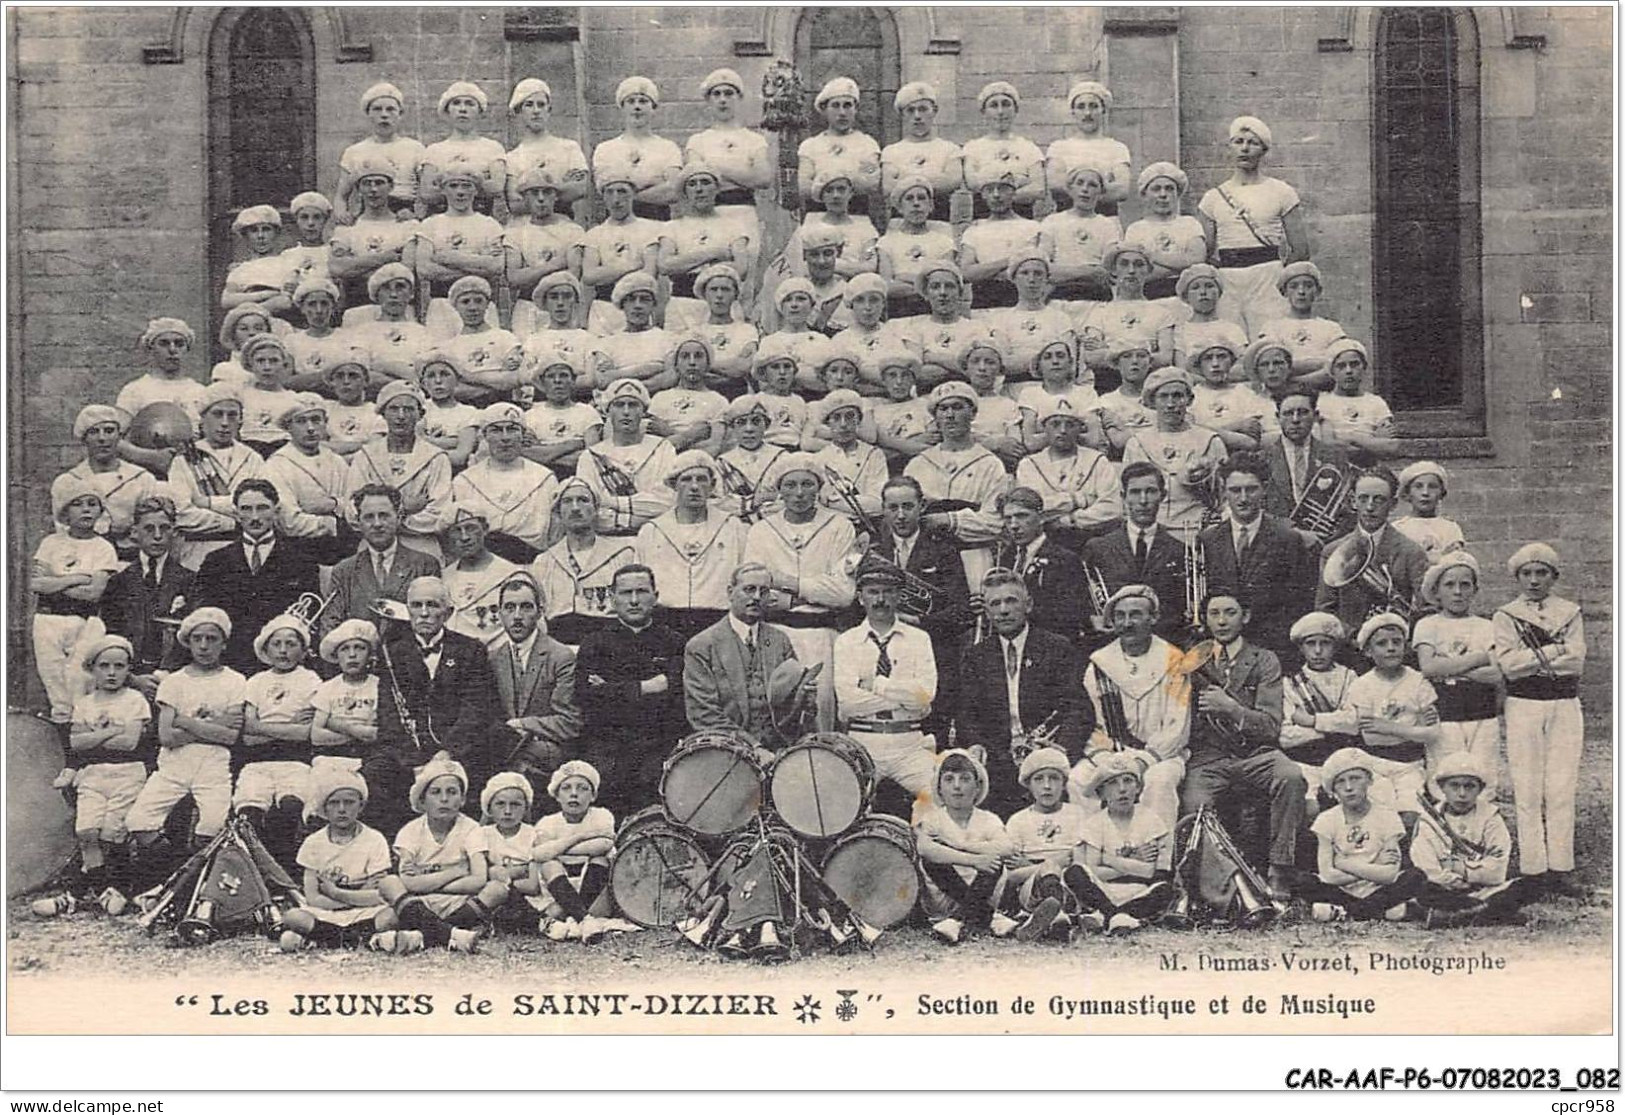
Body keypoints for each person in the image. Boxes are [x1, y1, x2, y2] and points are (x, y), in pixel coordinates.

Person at [1176, 591, 1299, 899]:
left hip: (1255, 754)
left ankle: (1279, 871)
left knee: (1291, 776)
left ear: (1245, 616)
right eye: (1214, 613)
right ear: (1205, 619)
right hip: (1209, 757)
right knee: (1194, 806)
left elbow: (1272, 725)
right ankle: (1219, 889)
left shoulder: (1265, 660)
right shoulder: (1190, 660)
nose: (1221, 620)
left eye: (1229, 612)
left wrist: (1231, 708)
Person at [122, 608, 243, 893]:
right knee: (138, 821)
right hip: (174, 765)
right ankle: (172, 873)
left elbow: (230, 736)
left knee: (213, 827)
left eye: (212, 638)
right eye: (197, 638)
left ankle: (193, 888)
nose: (204, 645)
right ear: (187, 642)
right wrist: (212, 725)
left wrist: (184, 721)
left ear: (223, 643)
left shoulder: (236, 681)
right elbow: (166, 736)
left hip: (213, 766)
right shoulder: (174, 682)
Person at [31, 636, 153, 918]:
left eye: (119, 666)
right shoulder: (85, 703)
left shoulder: (135, 700)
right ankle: (105, 892)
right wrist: (113, 731)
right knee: (86, 831)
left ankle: (78, 895)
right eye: (104, 666)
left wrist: (94, 736)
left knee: (111, 835)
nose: (111, 672)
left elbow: (129, 743)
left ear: (128, 669)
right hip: (92, 774)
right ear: (92, 669)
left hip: (127, 773)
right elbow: (76, 743)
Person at [956, 570, 1091, 817]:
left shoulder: (1057, 647)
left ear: (1028, 605)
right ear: (986, 612)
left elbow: (1077, 708)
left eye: (1011, 601)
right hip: (997, 760)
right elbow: (966, 713)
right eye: (995, 603)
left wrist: (1060, 749)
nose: (1003, 610)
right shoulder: (976, 656)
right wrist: (976, 745)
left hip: (1046, 755)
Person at [1493, 542, 1586, 894]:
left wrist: (1531, 656)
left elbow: (1576, 662)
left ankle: (1561, 867)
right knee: (1527, 785)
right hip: (1524, 704)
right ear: (1517, 577)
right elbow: (1510, 667)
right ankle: (1533, 868)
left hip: (1564, 703)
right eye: (1527, 574)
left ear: (1553, 576)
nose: (1534, 580)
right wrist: (1552, 650)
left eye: (1541, 573)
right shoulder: (1506, 615)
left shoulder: (1570, 612)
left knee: (1561, 785)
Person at [372, 577, 498, 835]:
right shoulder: (392, 652)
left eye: (432, 605)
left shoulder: (471, 649)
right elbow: (389, 716)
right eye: (416, 606)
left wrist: (447, 753)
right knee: (375, 774)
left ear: (448, 612)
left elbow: (476, 709)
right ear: (408, 610)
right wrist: (415, 762)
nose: (424, 613)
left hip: (458, 747)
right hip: (410, 752)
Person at [743, 454, 859, 731]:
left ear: (818, 488)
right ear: (779, 489)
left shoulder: (840, 526)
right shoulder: (761, 530)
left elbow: (843, 593)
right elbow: (756, 591)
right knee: (773, 716)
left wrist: (788, 587)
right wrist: (816, 588)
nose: (798, 493)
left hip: (822, 634)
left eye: (807, 484)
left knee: (820, 714)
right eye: (790, 485)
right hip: (773, 634)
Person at [574, 564, 688, 815]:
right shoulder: (595, 643)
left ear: (655, 597)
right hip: (608, 748)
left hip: (657, 746)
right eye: (626, 593)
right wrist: (646, 687)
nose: (634, 600)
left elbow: (676, 699)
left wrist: (610, 689)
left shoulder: (674, 642)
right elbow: (587, 699)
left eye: (642, 592)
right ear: (613, 598)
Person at [833, 558, 940, 815]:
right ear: (860, 597)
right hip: (863, 742)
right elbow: (848, 702)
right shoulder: (846, 642)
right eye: (873, 592)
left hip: (910, 744)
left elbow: (926, 695)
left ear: (899, 596)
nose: (880, 600)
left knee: (942, 796)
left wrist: (875, 685)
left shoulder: (919, 638)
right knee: (842, 805)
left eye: (887, 592)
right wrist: (905, 696)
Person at [1078, 584, 1190, 826]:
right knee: (1079, 779)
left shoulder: (1174, 660)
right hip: (1111, 753)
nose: (1128, 623)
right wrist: (1106, 758)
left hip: (1161, 756)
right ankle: (1094, 854)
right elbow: (1092, 724)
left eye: (1136, 615)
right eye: (1120, 616)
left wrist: (1142, 761)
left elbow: (1177, 726)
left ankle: (1158, 858)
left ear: (1153, 618)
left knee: (1158, 782)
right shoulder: (1099, 664)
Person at [374, 752, 506, 954]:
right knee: (388, 887)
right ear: (423, 800)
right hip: (420, 903)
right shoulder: (410, 831)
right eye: (435, 792)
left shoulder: (471, 829)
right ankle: (452, 934)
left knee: (496, 889)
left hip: (459, 901)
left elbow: (478, 880)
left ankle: (423, 936)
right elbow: (407, 882)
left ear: (462, 799)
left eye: (452, 792)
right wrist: (456, 872)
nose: (444, 799)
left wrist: (426, 880)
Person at [1198, 453, 1318, 662]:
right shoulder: (1208, 539)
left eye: (1251, 489)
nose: (1243, 498)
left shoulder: (1288, 538)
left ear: (1264, 489)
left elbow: (1299, 604)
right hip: (1221, 652)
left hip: (1273, 650)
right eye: (1235, 490)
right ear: (1224, 491)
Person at [1196, 116, 1309, 336]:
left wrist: (1278, 280)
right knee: (1229, 340)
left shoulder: (1281, 191)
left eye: (1253, 143)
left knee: (1270, 340)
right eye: (1238, 142)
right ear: (1230, 148)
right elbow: (1204, 253)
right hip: (1228, 280)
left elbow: (1301, 250)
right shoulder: (1213, 198)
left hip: (1268, 278)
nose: (1245, 149)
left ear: (1264, 150)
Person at [192, 479, 320, 674]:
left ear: (276, 511)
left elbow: (310, 615)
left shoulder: (301, 561)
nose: (254, 517)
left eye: (262, 508)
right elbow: (203, 613)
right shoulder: (215, 561)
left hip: (281, 664)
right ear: (236, 513)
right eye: (246, 509)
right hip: (228, 664)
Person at [1333, 612, 1440, 821]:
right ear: (1368, 652)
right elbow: (1371, 737)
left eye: (1396, 642)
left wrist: (1385, 725)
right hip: (1375, 763)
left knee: (1410, 814)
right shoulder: (1362, 686)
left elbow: (1432, 734)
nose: (1391, 648)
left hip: (1410, 765)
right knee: (1379, 814)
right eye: (1382, 644)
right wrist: (1415, 728)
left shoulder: (1418, 682)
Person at [682, 562, 804, 745]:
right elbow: (704, 715)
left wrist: (805, 698)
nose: (756, 597)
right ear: (730, 592)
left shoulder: (780, 641)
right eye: (749, 589)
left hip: (778, 749)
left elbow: (793, 710)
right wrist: (752, 748)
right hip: (726, 751)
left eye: (763, 591)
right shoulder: (701, 646)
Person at [278, 768, 397, 952]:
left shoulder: (375, 839)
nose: (342, 809)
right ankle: (356, 938)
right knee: (293, 916)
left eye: (349, 802)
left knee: (391, 915)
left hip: (362, 912)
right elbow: (313, 897)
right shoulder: (313, 843)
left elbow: (378, 895)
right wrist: (357, 895)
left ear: (361, 806)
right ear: (325, 808)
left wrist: (334, 892)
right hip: (326, 912)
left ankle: (324, 939)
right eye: (334, 803)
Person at [236, 613, 321, 868]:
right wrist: (290, 725)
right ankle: (258, 872)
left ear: (303, 650)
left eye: (291, 644)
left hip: (295, 761)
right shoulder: (256, 681)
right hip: (257, 762)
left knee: (291, 807)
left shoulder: (311, 680)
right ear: (265, 648)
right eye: (277, 644)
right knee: (249, 812)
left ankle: (282, 871)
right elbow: (248, 734)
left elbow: (307, 734)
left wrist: (264, 728)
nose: (283, 651)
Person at [486, 573, 580, 804]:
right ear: (499, 614)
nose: (517, 616)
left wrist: (521, 725)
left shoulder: (560, 656)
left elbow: (569, 722)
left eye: (526, 607)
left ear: (540, 611)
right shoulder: (492, 659)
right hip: (505, 752)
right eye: (509, 608)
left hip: (546, 752)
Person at [1300, 747, 1423, 922]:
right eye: (1340, 782)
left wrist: (1343, 863)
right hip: (1343, 889)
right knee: (1304, 881)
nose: (1349, 787)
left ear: (1369, 780)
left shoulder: (1387, 816)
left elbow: (1388, 875)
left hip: (1378, 887)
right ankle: (1381, 911)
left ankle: (1346, 912)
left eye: (1355, 778)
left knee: (1415, 876)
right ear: (1333, 790)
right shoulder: (1326, 820)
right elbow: (1327, 874)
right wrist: (1374, 865)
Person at [31, 481, 119, 722]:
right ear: (65, 512)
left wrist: (56, 581)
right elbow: (37, 584)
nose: (86, 510)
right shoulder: (51, 543)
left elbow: (93, 593)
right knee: (54, 678)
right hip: (48, 619)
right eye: (77, 504)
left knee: (80, 677)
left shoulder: (103, 548)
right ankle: (63, 735)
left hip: (85, 620)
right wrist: (78, 578)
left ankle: (82, 731)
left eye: (92, 504)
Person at [1063, 751, 1178, 934]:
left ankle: (1107, 915)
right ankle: (1119, 916)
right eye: (1113, 783)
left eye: (1128, 781)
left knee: (1164, 889)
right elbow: (1093, 871)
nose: (1122, 789)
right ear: (1101, 792)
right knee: (1075, 873)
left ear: (1138, 787)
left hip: (1140, 891)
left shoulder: (1151, 820)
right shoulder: (1095, 824)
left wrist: (1107, 859)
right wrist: (1134, 861)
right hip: (1103, 890)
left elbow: (1151, 872)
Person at [636, 451, 746, 643]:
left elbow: (744, 579)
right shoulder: (651, 530)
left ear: (712, 486)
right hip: (665, 622)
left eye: (702, 480)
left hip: (717, 621)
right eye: (686, 479)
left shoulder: (732, 526)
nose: (694, 487)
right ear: (674, 485)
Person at [1409, 752, 1528, 928]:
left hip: (1483, 889)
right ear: (1442, 788)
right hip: (1443, 888)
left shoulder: (1490, 818)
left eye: (1469, 786)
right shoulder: (1429, 820)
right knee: (1423, 886)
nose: (1462, 794)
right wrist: (1450, 880)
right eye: (1455, 786)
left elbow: (1497, 867)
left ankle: (1462, 912)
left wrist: (1463, 871)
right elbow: (1424, 864)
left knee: (1529, 885)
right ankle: (1484, 912)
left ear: (1480, 789)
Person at [1413, 552, 1501, 789]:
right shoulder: (1428, 625)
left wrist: (1449, 666)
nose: (1458, 591)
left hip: (1483, 713)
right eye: (1450, 585)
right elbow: (1429, 667)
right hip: (1445, 713)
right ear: (1437, 591)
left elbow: (1495, 674)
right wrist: (1479, 658)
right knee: (1444, 776)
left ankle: (1482, 824)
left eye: (1465, 585)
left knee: (1483, 776)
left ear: (1474, 589)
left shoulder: (1487, 627)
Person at [1081, 462, 1191, 649]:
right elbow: (1084, 601)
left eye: (1150, 491)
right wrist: (1092, 619)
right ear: (1123, 497)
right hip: (1111, 648)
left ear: (1162, 496)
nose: (1143, 500)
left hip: (1163, 650)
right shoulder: (1098, 547)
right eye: (1135, 492)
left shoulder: (1179, 550)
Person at [907, 382, 1011, 573]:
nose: (949, 415)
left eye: (957, 407)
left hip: (974, 553)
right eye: (943, 409)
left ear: (972, 414)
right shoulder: (918, 464)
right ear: (935, 417)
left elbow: (994, 523)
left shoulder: (990, 464)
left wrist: (948, 519)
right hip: (928, 552)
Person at [345, 381, 456, 560]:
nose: (401, 416)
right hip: (374, 545)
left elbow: (440, 513)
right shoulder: (366, 456)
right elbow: (352, 511)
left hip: (421, 544)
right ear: (383, 413)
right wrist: (404, 508)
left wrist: (381, 516)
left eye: (409, 409)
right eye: (394, 409)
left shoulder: (436, 457)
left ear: (420, 414)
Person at [1314, 467, 1429, 638]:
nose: (1369, 507)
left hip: (1395, 646)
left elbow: (1426, 608)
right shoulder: (1333, 551)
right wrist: (1355, 637)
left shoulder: (1412, 552)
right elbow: (1324, 610)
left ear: (1393, 504)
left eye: (1379, 500)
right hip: (1350, 648)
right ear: (1353, 501)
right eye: (1363, 498)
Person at [915, 748, 1015, 943]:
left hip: (985, 892)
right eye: (949, 779)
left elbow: (1006, 848)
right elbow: (925, 849)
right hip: (944, 900)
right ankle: (989, 916)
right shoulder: (933, 819)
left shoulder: (988, 819)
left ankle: (957, 921)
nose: (957, 786)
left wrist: (959, 844)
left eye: (965, 779)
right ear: (940, 787)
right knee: (932, 861)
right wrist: (974, 860)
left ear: (977, 786)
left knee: (994, 861)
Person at [320, 484, 441, 645]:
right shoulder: (344, 571)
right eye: (369, 517)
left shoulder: (425, 565)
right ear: (358, 522)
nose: (377, 524)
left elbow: (434, 622)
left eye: (384, 515)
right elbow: (331, 627)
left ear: (398, 518)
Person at [166, 383, 270, 566]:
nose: (224, 423)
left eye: (232, 415)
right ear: (203, 419)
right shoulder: (184, 460)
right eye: (217, 414)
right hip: (198, 550)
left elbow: (261, 505)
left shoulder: (252, 458)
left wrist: (207, 503)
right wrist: (233, 522)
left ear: (240, 421)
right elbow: (182, 513)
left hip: (245, 549)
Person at [1121, 367, 1227, 545]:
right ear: (1152, 401)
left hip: (1199, 528)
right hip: (1152, 530)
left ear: (1189, 399)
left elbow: (1223, 496)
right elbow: (1127, 498)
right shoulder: (1137, 443)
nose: (1171, 404)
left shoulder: (1210, 441)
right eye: (1163, 396)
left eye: (1177, 396)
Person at [99, 495, 193, 694]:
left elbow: (191, 637)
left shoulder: (190, 580)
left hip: (175, 679)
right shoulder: (118, 582)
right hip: (130, 680)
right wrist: (132, 678)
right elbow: (112, 635)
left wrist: (166, 674)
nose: (158, 536)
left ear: (174, 532)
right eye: (149, 529)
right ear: (135, 532)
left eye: (165, 528)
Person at [993, 747, 1089, 941]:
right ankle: (1057, 916)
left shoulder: (1077, 815)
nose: (1047, 786)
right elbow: (1012, 875)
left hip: (1070, 884)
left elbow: (1082, 861)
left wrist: (1034, 866)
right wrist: (1052, 864)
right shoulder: (1018, 821)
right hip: (1031, 888)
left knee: (1070, 875)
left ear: (1064, 784)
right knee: (1049, 871)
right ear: (1028, 785)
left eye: (1054, 778)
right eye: (1039, 779)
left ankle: (1049, 918)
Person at [684, 68, 772, 279]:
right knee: (710, 276)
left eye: (729, 93)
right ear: (709, 100)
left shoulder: (753, 140)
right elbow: (697, 180)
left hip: (743, 213)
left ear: (739, 98)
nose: (723, 100)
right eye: (717, 94)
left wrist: (716, 167)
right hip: (709, 214)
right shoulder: (698, 141)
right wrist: (743, 175)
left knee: (744, 278)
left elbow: (763, 178)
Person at [530, 479, 637, 647]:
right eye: (567, 501)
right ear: (557, 512)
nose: (575, 508)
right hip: (560, 646)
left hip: (611, 645)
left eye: (583, 500)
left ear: (595, 509)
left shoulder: (623, 555)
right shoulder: (544, 562)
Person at [1277, 612, 1368, 806]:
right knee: (1309, 809)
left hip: (1344, 763)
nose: (1317, 651)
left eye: (1325, 644)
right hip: (1306, 764)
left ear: (1335, 647)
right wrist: (1336, 726)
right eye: (1311, 644)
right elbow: (1286, 736)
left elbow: (1355, 723)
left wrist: (1312, 722)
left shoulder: (1349, 677)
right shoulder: (1291, 683)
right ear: (1301, 648)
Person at [453, 401, 560, 562]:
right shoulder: (465, 481)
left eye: (512, 429)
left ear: (523, 435)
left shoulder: (544, 478)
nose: (505, 438)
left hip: (530, 563)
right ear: (484, 436)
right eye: (496, 430)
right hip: (482, 565)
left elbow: (554, 537)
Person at [1015, 396, 1122, 554]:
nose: (1063, 430)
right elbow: (1032, 509)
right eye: (1055, 424)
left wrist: (1070, 520)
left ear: (1080, 429)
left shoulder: (1097, 460)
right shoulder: (1029, 465)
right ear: (1045, 428)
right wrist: (1078, 500)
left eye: (1070, 425)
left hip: (1092, 540)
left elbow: (1112, 508)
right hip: (1044, 542)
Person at [659, 163, 755, 333]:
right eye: (692, 184)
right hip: (682, 305)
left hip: (724, 305)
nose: (699, 189)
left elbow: (741, 268)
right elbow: (666, 265)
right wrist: (714, 253)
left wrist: (685, 261)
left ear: (717, 188)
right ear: (685, 192)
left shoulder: (734, 225)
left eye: (705, 182)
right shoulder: (672, 227)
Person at [263, 394, 355, 567]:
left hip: (342, 549)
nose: (311, 428)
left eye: (316, 420)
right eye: (301, 421)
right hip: (299, 550)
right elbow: (289, 522)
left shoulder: (336, 461)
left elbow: (354, 504)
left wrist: (333, 504)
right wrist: (335, 523)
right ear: (288, 427)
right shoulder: (277, 465)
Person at [532, 760, 619, 941]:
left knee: (600, 859)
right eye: (566, 788)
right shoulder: (547, 822)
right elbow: (539, 854)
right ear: (557, 795)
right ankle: (584, 920)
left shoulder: (601, 815)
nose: (574, 794)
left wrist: (557, 848)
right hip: (559, 887)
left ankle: (575, 918)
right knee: (549, 865)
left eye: (582, 788)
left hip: (593, 888)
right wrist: (579, 837)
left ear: (593, 795)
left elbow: (603, 845)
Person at [578, 378, 678, 535]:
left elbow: (667, 502)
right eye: (619, 405)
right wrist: (633, 520)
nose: (626, 412)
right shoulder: (591, 456)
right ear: (608, 412)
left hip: (658, 535)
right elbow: (589, 510)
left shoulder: (662, 448)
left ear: (643, 412)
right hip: (609, 539)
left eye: (633, 405)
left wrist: (611, 502)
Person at [53, 404, 159, 551]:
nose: (102, 438)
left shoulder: (142, 479)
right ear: (84, 439)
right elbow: (63, 533)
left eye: (109, 431)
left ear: (119, 436)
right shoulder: (68, 482)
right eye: (94, 432)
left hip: (131, 561)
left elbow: (152, 528)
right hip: (84, 561)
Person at [992, 486, 1086, 641]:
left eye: (1022, 516)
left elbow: (1069, 617)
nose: (1014, 525)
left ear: (1041, 517)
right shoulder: (1003, 559)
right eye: (1008, 519)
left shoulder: (1065, 560)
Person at [1076, 243, 1180, 384]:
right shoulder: (1100, 311)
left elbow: (1165, 358)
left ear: (1148, 271)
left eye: (1138, 265)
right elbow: (1091, 357)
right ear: (1114, 270)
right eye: (1124, 264)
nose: (1131, 271)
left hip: (1151, 382)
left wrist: (1110, 350)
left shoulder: (1161, 312)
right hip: (1109, 382)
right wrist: (1144, 353)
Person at [328, 156, 420, 312]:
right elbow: (337, 268)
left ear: (391, 187)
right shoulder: (347, 229)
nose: (373, 190)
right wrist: (388, 257)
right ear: (358, 189)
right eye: (366, 183)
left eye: (379, 183)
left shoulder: (407, 226)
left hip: (398, 306)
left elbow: (405, 270)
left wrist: (356, 265)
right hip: (357, 304)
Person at [506, 170, 590, 338]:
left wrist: (532, 272)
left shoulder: (572, 231)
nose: (541, 198)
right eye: (534, 193)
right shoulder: (514, 233)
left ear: (556, 196)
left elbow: (573, 274)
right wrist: (556, 264)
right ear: (524, 198)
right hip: (527, 306)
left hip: (562, 306)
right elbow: (514, 278)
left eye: (547, 192)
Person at [1263, 386, 1355, 532]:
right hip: (1276, 543)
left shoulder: (1335, 456)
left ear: (1316, 415)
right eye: (1288, 413)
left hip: (1323, 543)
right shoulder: (1262, 459)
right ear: (1277, 417)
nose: (1295, 420)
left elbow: (1346, 509)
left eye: (1303, 413)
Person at [116, 319, 207, 465]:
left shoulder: (201, 391)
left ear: (187, 349)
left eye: (179, 344)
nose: (172, 349)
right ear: (151, 348)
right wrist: (150, 457)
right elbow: (113, 440)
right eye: (164, 343)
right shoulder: (135, 390)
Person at [593, 75, 683, 220]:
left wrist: (625, 194)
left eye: (643, 101)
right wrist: (653, 187)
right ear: (622, 108)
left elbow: (673, 190)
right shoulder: (605, 149)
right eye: (631, 101)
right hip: (618, 220)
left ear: (653, 108)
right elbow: (606, 191)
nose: (637, 107)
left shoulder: (667, 148)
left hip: (657, 218)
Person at [504, 79, 591, 219]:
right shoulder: (512, 157)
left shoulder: (569, 148)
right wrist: (560, 187)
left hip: (562, 224)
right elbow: (515, 204)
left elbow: (581, 189)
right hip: (525, 230)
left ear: (549, 110)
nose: (536, 111)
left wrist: (529, 192)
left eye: (541, 105)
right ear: (519, 112)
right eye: (529, 105)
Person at [337, 82, 425, 220]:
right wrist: (343, 216)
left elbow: (424, 193)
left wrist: (416, 215)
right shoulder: (354, 152)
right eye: (377, 109)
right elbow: (341, 197)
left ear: (400, 114)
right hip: (368, 213)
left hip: (404, 214)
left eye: (390, 109)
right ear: (368, 114)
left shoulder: (415, 148)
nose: (384, 115)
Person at [419, 81, 506, 218]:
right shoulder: (434, 150)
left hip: (480, 218)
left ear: (480, 111)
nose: (462, 109)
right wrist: (477, 182)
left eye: (469, 104)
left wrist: (447, 183)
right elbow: (426, 193)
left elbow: (497, 187)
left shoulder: (492, 148)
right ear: (447, 110)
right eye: (456, 103)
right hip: (441, 220)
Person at [881, 82, 963, 224]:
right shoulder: (891, 152)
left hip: (939, 221)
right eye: (910, 110)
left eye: (923, 109)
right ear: (902, 115)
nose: (917, 116)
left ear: (934, 111)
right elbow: (888, 187)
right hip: (900, 225)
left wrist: (905, 177)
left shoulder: (950, 149)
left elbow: (952, 181)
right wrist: (936, 177)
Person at [1045, 81, 1132, 215]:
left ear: (1103, 111)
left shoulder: (1117, 148)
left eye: (1093, 106)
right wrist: (1102, 187)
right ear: (1073, 112)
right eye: (1081, 107)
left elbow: (1122, 190)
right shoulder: (1059, 148)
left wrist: (1075, 189)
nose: (1087, 113)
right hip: (1067, 219)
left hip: (1106, 219)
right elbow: (1055, 185)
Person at [798, 77, 881, 215]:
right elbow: (804, 187)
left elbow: (870, 184)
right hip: (818, 215)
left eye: (847, 105)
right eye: (835, 106)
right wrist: (850, 178)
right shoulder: (810, 146)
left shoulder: (867, 144)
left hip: (857, 214)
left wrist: (824, 180)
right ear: (825, 110)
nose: (842, 112)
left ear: (856, 109)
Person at [338, 263, 433, 386]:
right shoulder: (363, 331)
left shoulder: (423, 333)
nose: (393, 295)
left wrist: (379, 366)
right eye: (386, 288)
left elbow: (426, 373)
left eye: (400, 287)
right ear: (377, 295)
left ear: (411, 294)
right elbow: (360, 372)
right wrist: (401, 376)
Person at [439, 509, 520, 652]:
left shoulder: (511, 575)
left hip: (500, 658)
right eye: (457, 531)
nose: (465, 537)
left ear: (485, 530)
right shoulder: (444, 578)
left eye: (471, 528)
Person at [310, 619, 381, 781]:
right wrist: (359, 731)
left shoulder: (379, 686)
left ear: (370, 655)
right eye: (345, 649)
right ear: (336, 656)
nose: (352, 654)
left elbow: (378, 734)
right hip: (330, 757)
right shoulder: (327, 688)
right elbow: (316, 735)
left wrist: (335, 723)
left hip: (368, 757)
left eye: (360, 648)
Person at [876, 178, 957, 319]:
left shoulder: (944, 242)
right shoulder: (886, 242)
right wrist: (929, 285)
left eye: (921, 198)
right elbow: (887, 287)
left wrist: (902, 277)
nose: (916, 204)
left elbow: (945, 284)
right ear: (900, 207)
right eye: (909, 199)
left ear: (931, 206)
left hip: (934, 313)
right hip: (899, 311)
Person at [962, 82, 1045, 218]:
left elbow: (1038, 188)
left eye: (1006, 104)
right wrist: (1018, 181)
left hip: (1021, 220)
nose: (1000, 112)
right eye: (994, 105)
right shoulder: (973, 148)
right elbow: (973, 184)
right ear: (984, 112)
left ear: (1015, 110)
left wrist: (991, 183)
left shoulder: (1029, 148)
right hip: (985, 219)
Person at [1124, 162, 1206, 300]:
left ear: (1177, 194)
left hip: (1185, 297)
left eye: (1169, 189)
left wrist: (1151, 256)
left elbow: (1197, 260)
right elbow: (1137, 273)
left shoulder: (1190, 224)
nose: (1163, 194)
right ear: (1145, 195)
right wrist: (1182, 266)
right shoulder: (1136, 229)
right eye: (1156, 189)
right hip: (1149, 296)